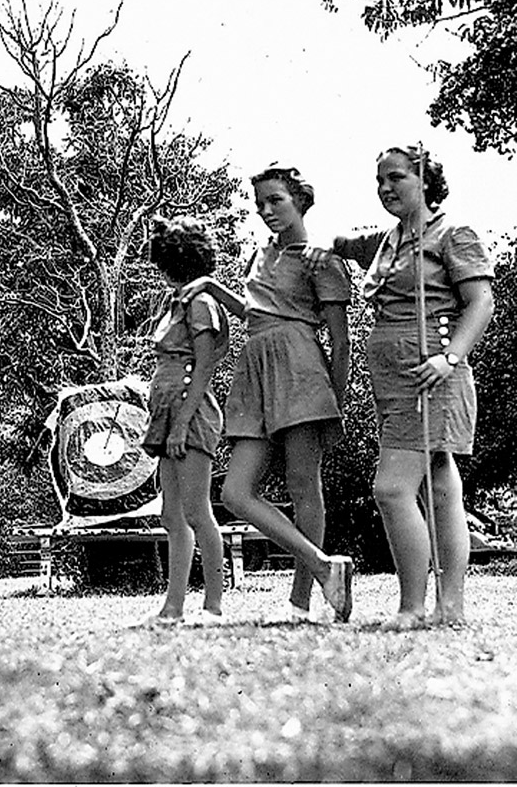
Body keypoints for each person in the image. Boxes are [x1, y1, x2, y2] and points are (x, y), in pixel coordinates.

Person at [309, 146, 494, 629]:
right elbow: (344, 243)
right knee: (438, 484)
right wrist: (318, 245)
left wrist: (450, 356)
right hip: (391, 377)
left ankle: (413, 607)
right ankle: (449, 607)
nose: (386, 188)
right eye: (379, 181)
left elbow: (481, 302)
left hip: (429, 371)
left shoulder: (453, 234)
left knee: (391, 489)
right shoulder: (388, 240)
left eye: (397, 178)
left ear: (426, 180)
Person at [181, 164, 354, 623]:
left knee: (303, 485)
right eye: (259, 203)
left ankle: (302, 601)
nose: (266, 210)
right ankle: (323, 565)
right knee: (236, 492)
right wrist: (212, 286)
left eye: (275, 200)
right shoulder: (258, 255)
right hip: (254, 367)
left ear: (299, 200)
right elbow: (253, 313)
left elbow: (340, 340)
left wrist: (336, 401)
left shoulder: (321, 259)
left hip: (300, 366)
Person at [138, 216, 230, 626]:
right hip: (166, 409)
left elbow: (205, 364)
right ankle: (173, 606)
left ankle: (213, 604)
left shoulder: (201, 302)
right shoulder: (175, 301)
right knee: (172, 515)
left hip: (189, 412)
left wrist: (181, 425)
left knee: (196, 510)